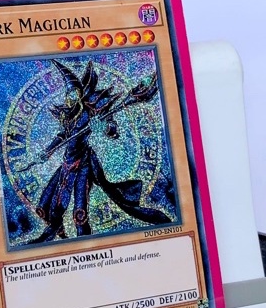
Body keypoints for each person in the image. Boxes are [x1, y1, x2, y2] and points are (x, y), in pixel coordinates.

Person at [29, 59, 172, 242]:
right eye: (69, 94)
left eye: (75, 93)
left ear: (79, 94)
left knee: (79, 213)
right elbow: (62, 136)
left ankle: (85, 243)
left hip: (84, 165)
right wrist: (46, 153)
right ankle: (61, 237)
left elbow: (113, 130)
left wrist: (102, 127)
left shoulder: (90, 112)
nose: (71, 97)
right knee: (45, 208)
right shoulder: (68, 116)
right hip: (66, 165)